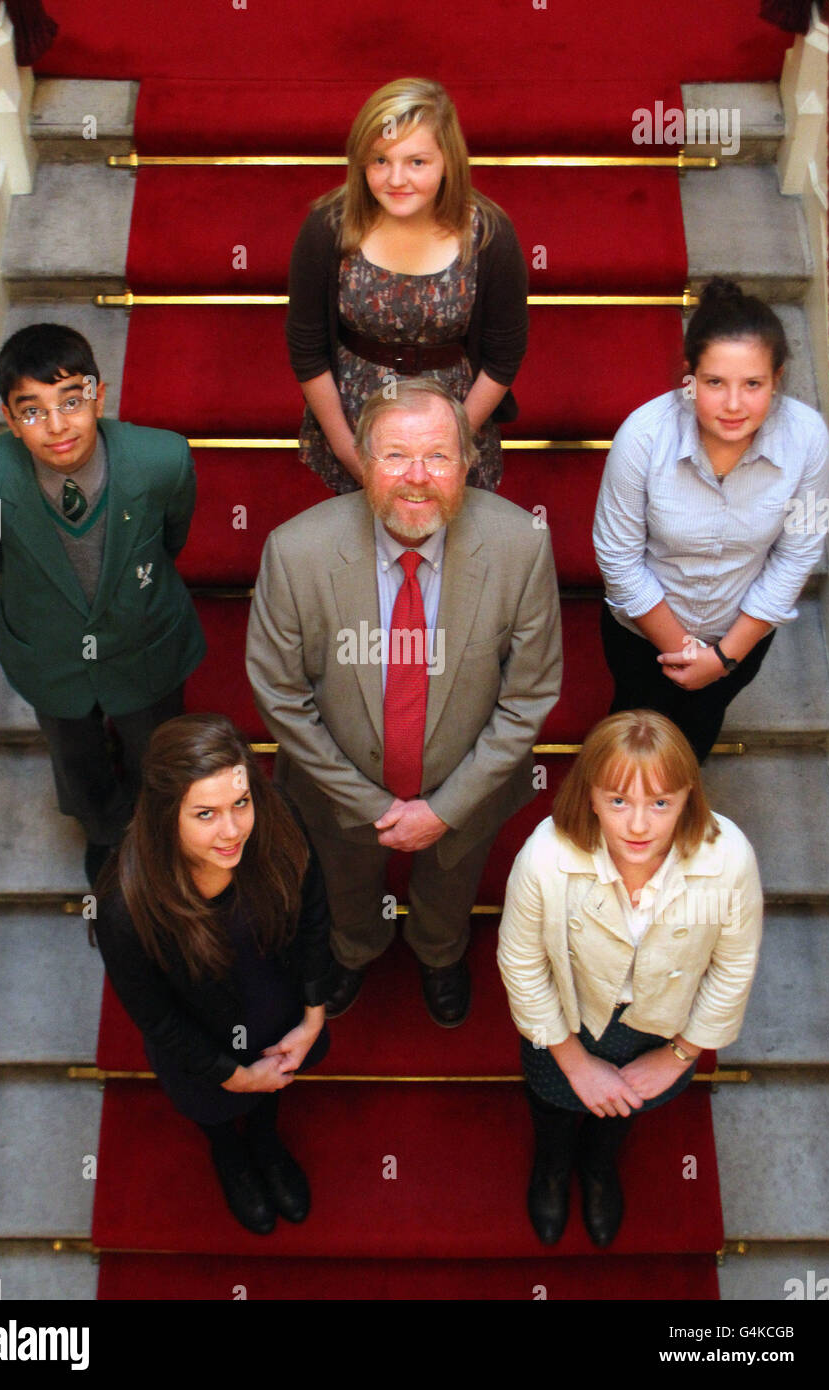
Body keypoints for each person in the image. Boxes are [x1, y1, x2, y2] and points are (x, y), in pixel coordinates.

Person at [246, 378, 562, 1028]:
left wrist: (443, 810)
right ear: (361, 461)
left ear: (468, 461)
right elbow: (280, 695)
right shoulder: (294, 552)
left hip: (466, 788)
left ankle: (439, 951)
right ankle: (355, 946)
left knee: (451, 884)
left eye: (438, 457)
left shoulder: (521, 546)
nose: (417, 479)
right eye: (394, 456)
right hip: (340, 791)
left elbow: (528, 696)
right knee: (346, 882)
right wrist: (374, 806)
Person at [0, 323, 206, 883]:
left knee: (156, 750)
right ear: (11, 420)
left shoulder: (163, 459)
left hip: (144, 641)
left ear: (99, 396)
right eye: (34, 410)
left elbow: (170, 541)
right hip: (49, 652)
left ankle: (154, 832)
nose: (58, 425)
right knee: (75, 759)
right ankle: (106, 832)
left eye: (71, 401)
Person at [497, 710, 762, 1248]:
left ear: (688, 797)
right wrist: (573, 1060)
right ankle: (551, 1166)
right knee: (551, 1101)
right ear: (590, 796)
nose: (638, 825)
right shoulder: (544, 856)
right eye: (618, 800)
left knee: (625, 1106)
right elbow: (521, 964)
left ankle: (597, 1166)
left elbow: (734, 965)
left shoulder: (728, 856)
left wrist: (679, 1054)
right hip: (566, 1019)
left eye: (660, 802)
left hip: (661, 1024)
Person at [93, 714, 332, 1235]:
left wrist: (313, 1016)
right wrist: (236, 1076)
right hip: (201, 1049)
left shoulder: (278, 819)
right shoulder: (124, 906)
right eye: (205, 814)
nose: (232, 831)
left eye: (240, 803)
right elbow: (156, 1017)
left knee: (274, 1092)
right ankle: (230, 1155)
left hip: (280, 1017)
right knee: (218, 1114)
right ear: (164, 816)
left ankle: (266, 1143)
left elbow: (314, 915)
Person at [592, 277, 829, 762]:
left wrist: (721, 660)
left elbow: (798, 553)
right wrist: (687, 654)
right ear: (689, 377)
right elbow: (617, 557)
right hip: (644, 636)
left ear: (777, 379)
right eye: (715, 382)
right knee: (630, 751)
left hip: (738, 640)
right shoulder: (642, 436)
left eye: (753, 384)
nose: (734, 405)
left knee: (692, 747)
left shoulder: (807, 437)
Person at [285, 76, 529, 495]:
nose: (396, 179)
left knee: (451, 553)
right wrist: (350, 453)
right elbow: (307, 349)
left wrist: (446, 448)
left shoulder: (489, 234)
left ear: (448, 160)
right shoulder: (328, 227)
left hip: (455, 420)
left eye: (416, 162)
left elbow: (504, 356)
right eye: (380, 160)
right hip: (355, 421)